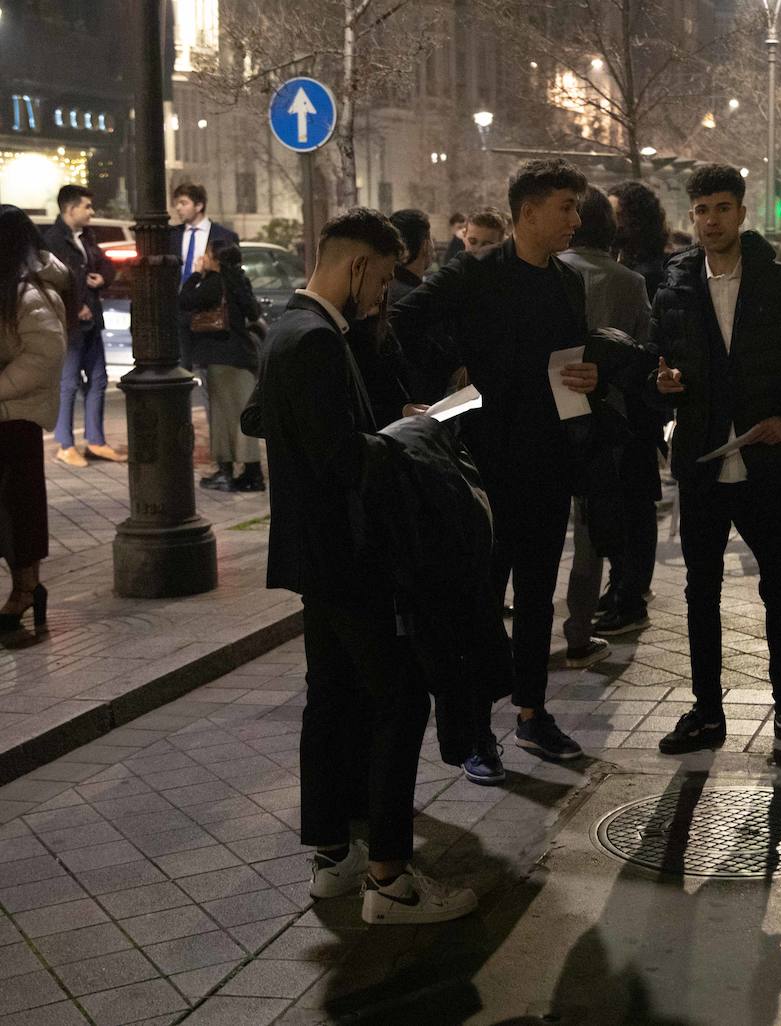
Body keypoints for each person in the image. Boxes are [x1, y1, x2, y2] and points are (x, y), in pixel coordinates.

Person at [247, 207, 474, 925]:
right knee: (398, 699)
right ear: (355, 268)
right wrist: (410, 434)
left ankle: (334, 859)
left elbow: (294, 427)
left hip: (318, 555)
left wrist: (377, 422)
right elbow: (342, 458)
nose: (384, 294)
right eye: (381, 278)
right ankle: (390, 878)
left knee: (334, 697)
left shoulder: (292, 328)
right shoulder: (313, 340)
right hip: (344, 554)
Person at [391, 159, 599, 762]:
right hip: (481, 466)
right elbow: (404, 320)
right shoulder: (474, 274)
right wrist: (448, 384)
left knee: (537, 596)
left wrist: (586, 378)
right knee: (479, 601)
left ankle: (532, 713)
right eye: (565, 206)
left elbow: (566, 364)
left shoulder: (567, 282)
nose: (575, 219)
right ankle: (475, 732)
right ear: (527, 212)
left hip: (547, 460)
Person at [651, 164, 781, 760]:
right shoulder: (676, 286)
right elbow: (660, 366)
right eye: (701, 211)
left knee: (779, 584)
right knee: (699, 589)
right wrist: (664, 383)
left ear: (741, 212)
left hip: (763, 463)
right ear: (692, 218)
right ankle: (707, 711)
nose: (711, 221)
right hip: (704, 462)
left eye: (721, 209)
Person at [556, 186, 654, 665]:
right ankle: (578, 629)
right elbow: (643, 353)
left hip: (547, 415)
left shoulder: (548, 272)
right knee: (589, 528)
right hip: (604, 422)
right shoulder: (628, 282)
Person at [0, 206, 69, 632]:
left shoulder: (31, 293)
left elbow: (45, 354)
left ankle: (26, 589)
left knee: (19, 510)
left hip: (17, 419)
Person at [43, 185, 122, 468]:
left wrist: (103, 278)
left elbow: (107, 266)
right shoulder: (52, 240)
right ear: (70, 208)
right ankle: (65, 444)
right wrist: (75, 307)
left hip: (92, 322)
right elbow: (50, 284)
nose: (91, 212)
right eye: (87, 207)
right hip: (69, 325)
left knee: (98, 379)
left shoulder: (87, 238)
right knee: (68, 383)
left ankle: (96, 441)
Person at [178, 241, 265, 492]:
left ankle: (225, 473)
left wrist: (195, 274)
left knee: (222, 420)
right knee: (242, 419)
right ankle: (252, 474)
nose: (203, 258)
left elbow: (184, 300)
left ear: (215, 260)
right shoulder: (240, 281)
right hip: (243, 358)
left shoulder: (213, 283)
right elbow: (253, 311)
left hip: (221, 359)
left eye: (206, 255)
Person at [173, 183, 240, 370]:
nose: (178, 208)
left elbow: (231, 274)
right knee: (181, 368)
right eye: (176, 203)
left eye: (183, 203)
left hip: (210, 310)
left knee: (209, 369)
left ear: (199, 205)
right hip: (180, 308)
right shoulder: (173, 236)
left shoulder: (224, 236)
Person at [607, 180, 669, 298]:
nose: (610, 222)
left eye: (618, 215)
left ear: (637, 221)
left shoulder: (650, 274)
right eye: (609, 215)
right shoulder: (623, 262)